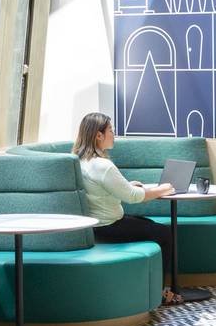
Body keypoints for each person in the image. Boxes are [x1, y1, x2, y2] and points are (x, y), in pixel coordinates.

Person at [73, 112, 184, 306]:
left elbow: (101, 190)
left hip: (94, 227)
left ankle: (156, 288)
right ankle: (158, 292)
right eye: (110, 130)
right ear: (98, 135)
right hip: (107, 227)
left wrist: (127, 185)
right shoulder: (102, 165)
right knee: (164, 234)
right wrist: (163, 189)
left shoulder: (80, 161)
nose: (113, 134)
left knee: (149, 224)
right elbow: (133, 197)